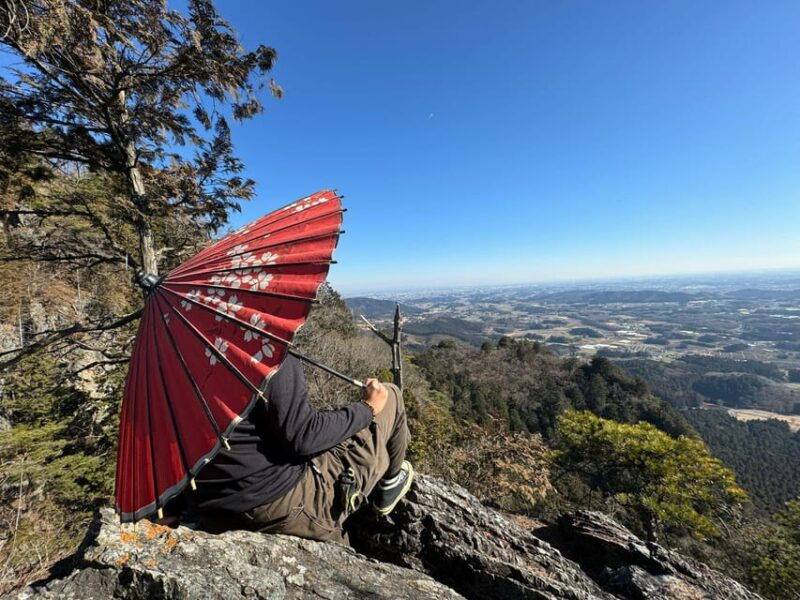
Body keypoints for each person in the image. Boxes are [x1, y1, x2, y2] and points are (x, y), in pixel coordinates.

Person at [192, 354, 413, 543]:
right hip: (274, 499)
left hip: (211, 502)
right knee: (391, 395)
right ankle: (389, 485)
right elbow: (303, 437)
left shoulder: (184, 349)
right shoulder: (265, 345)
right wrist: (367, 409)